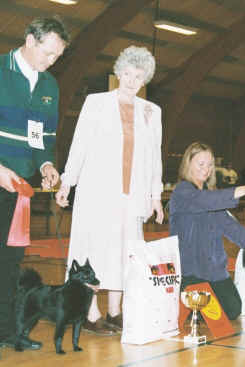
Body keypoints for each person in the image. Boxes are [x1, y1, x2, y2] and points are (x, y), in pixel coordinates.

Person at [0, 16, 69, 362]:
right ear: (29, 40)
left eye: (57, 56)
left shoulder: (49, 86)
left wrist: (47, 165)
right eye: (47, 53)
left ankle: (7, 329)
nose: (51, 62)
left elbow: (40, 139)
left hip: (20, 187)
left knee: (10, 263)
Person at [56, 46, 164, 336]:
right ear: (118, 73)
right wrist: (67, 181)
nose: (131, 80)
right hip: (98, 193)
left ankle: (116, 312)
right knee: (96, 251)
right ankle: (91, 313)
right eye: (126, 74)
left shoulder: (152, 112)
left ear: (145, 79)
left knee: (126, 253)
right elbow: (79, 145)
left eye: (138, 76)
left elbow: (155, 157)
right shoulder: (96, 103)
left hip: (133, 196)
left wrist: (156, 197)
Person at [169, 142, 245, 320]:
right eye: (201, 164)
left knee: (233, 309)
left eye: (210, 164)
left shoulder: (211, 194)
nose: (206, 169)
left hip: (213, 270)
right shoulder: (182, 192)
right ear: (188, 164)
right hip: (191, 269)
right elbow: (205, 201)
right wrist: (244, 189)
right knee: (209, 312)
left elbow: (230, 226)